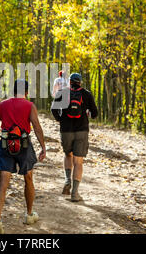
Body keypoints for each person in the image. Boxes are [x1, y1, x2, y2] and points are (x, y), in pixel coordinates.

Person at [0, 79, 47, 234]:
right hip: (24, 146)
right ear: (26, 92)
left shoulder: (2, 105)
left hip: (5, 145)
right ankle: (29, 214)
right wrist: (43, 147)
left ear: (13, 90)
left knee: (3, 183)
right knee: (28, 179)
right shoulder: (29, 106)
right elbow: (37, 128)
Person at [51, 73, 98, 202]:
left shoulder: (62, 92)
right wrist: (88, 113)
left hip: (66, 130)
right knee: (78, 161)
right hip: (81, 130)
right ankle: (75, 193)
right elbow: (95, 113)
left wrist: (61, 120)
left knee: (68, 155)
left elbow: (53, 109)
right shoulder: (86, 94)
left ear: (69, 82)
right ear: (80, 82)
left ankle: (67, 180)